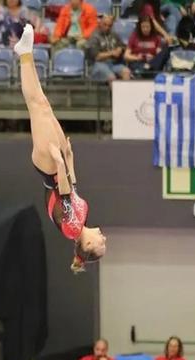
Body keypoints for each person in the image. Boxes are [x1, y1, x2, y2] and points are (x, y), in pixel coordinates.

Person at [14, 24, 107, 273]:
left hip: (50, 169)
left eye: (101, 244)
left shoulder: (72, 230)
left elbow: (64, 195)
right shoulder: (81, 221)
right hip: (59, 168)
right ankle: (24, 52)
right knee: (43, 104)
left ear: (88, 245)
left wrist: (58, 162)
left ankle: (24, 54)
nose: (104, 238)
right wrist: (69, 158)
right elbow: (73, 189)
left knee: (36, 105)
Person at [86, 14, 131, 83]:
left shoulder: (114, 34)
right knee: (111, 77)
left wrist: (120, 49)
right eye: (105, 25)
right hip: (98, 64)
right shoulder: (94, 37)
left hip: (113, 64)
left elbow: (122, 46)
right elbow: (97, 57)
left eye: (109, 26)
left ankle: (125, 90)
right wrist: (112, 53)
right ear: (100, 24)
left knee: (126, 72)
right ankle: (113, 90)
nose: (107, 27)